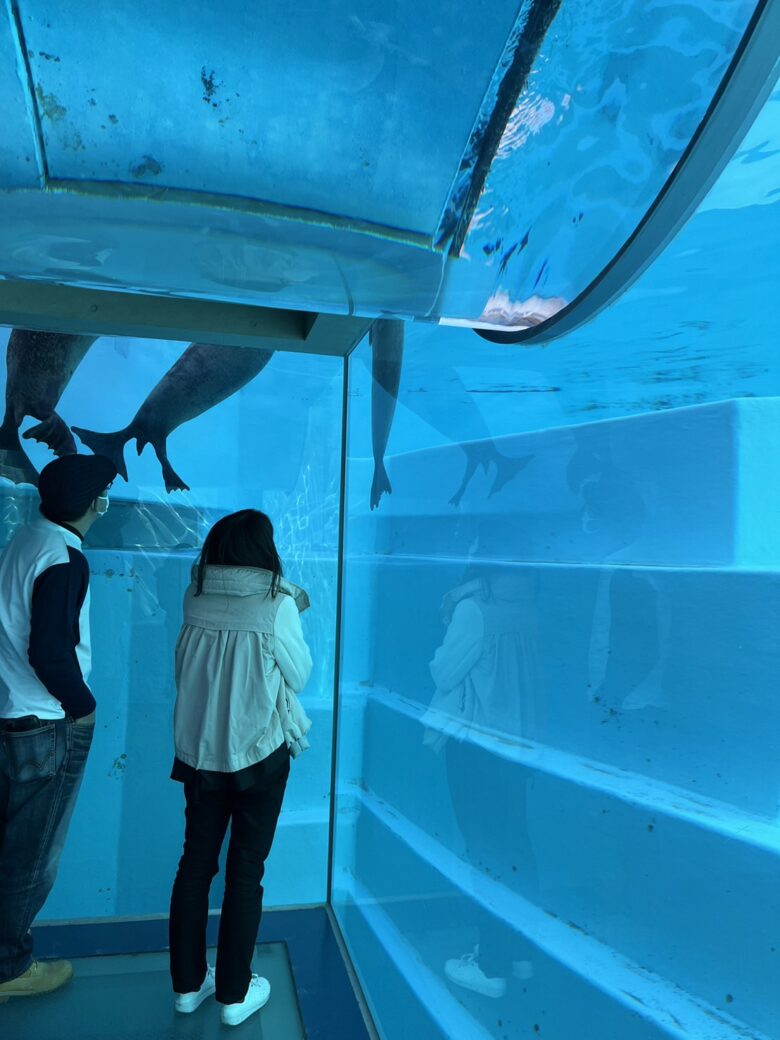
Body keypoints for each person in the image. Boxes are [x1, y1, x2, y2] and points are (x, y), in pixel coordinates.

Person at [168, 509, 313, 1028]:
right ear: (264, 550)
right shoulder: (277, 605)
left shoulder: (195, 595)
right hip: (257, 755)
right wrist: (291, 599)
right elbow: (299, 673)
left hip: (199, 754)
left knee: (194, 866)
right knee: (245, 872)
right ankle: (233, 993)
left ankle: (187, 987)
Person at [0, 453, 117, 1000]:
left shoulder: (25, 540)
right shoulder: (64, 557)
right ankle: (10, 968)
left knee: (10, 847)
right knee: (33, 857)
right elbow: (50, 652)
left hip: (9, 714)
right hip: (44, 726)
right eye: (104, 492)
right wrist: (83, 705)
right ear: (92, 503)